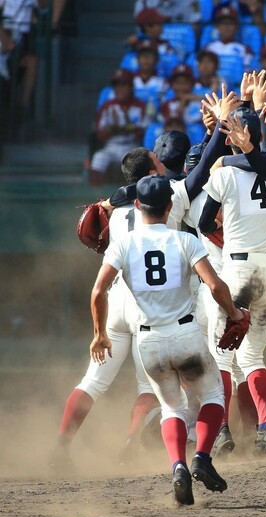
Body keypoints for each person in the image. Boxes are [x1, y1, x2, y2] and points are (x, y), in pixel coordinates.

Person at [90, 174, 246, 506]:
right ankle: (202, 457)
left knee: (171, 407)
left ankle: (177, 466)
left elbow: (99, 290)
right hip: (185, 332)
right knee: (214, 395)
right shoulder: (184, 241)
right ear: (170, 206)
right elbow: (216, 286)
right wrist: (234, 314)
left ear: (136, 205)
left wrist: (100, 334)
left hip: (148, 340)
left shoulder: (123, 244)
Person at [50, 148, 167, 473]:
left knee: (93, 381)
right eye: (156, 164)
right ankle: (130, 444)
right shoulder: (163, 199)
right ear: (150, 173)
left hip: (116, 301)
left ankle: (61, 446)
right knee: (148, 387)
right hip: (147, 305)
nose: (161, 167)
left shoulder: (115, 210)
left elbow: (124, 194)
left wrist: (109, 200)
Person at [199, 105, 266, 457]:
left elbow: (206, 223)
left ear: (233, 138)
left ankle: (221, 430)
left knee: (220, 358)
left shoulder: (223, 174)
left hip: (238, 271)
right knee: (252, 357)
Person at [90, 69, 148, 186]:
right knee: (98, 158)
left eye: (123, 85)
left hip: (131, 145)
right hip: (111, 145)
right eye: (117, 85)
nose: (119, 89)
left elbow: (143, 132)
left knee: (133, 162)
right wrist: (117, 129)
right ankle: (94, 196)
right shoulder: (107, 106)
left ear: (131, 87)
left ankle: (133, 196)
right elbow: (100, 134)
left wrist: (129, 127)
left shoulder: (140, 106)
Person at [204, 5, 254, 70]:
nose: (226, 27)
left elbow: (249, 72)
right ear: (217, 26)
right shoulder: (208, 49)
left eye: (230, 23)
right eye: (223, 23)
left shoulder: (244, 50)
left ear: (236, 26)